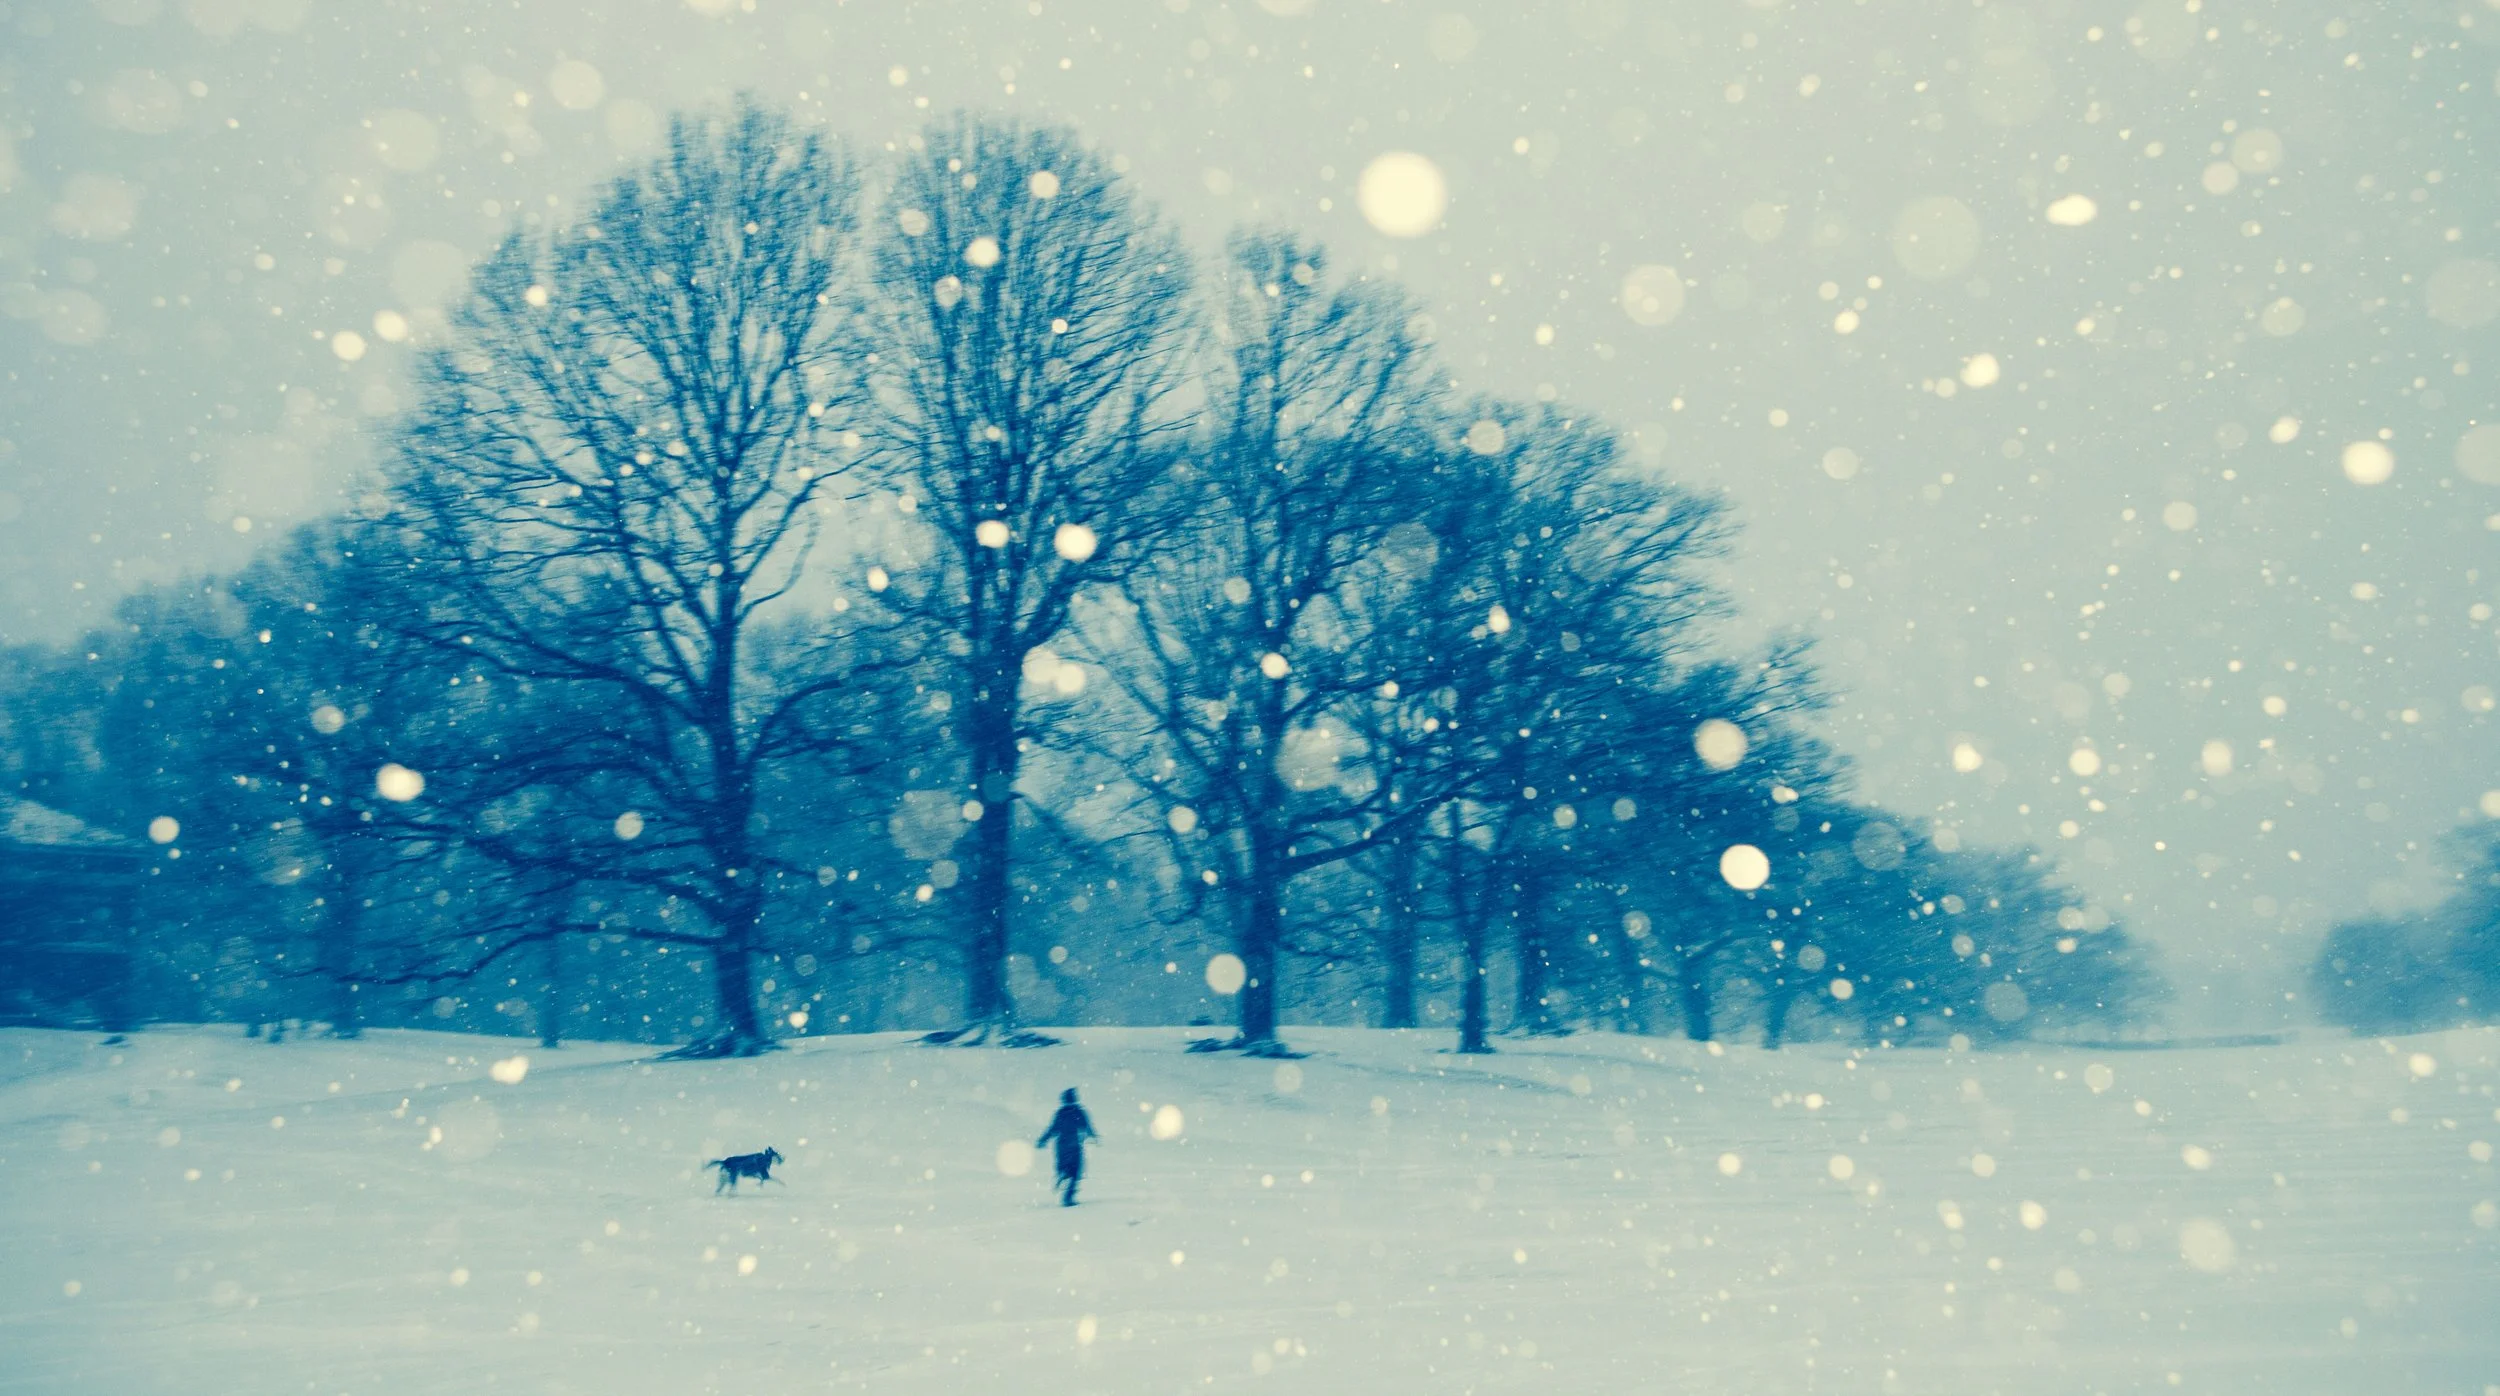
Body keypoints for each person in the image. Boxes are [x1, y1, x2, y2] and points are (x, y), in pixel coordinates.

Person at [1035, 1087, 1097, 1207]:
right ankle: (1068, 1198)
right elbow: (1086, 1127)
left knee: (1064, 1166)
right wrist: (1093, 1136)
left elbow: (1052, 1128)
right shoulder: (1079, 1112)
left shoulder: (1060, 1113)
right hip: (1074, 1145)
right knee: (1076, 1171)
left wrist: (1043, 1140)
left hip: (1061, 1145)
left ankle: (1063, 1173)